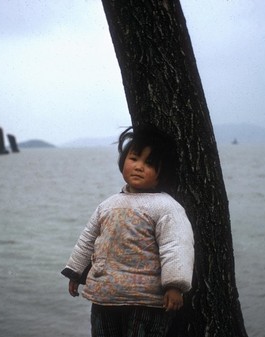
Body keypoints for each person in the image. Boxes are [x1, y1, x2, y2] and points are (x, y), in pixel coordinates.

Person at [61, 125, 194, 337]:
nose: (139, 167)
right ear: (123, 161)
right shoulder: (108, 205)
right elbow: (87, 240)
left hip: (146, 301)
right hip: (105, 296)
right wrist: (75, 272)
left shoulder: (166, 207)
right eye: (134, 158)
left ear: (163, 173)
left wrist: (174, 286)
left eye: (149, 163)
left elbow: (176, 246)